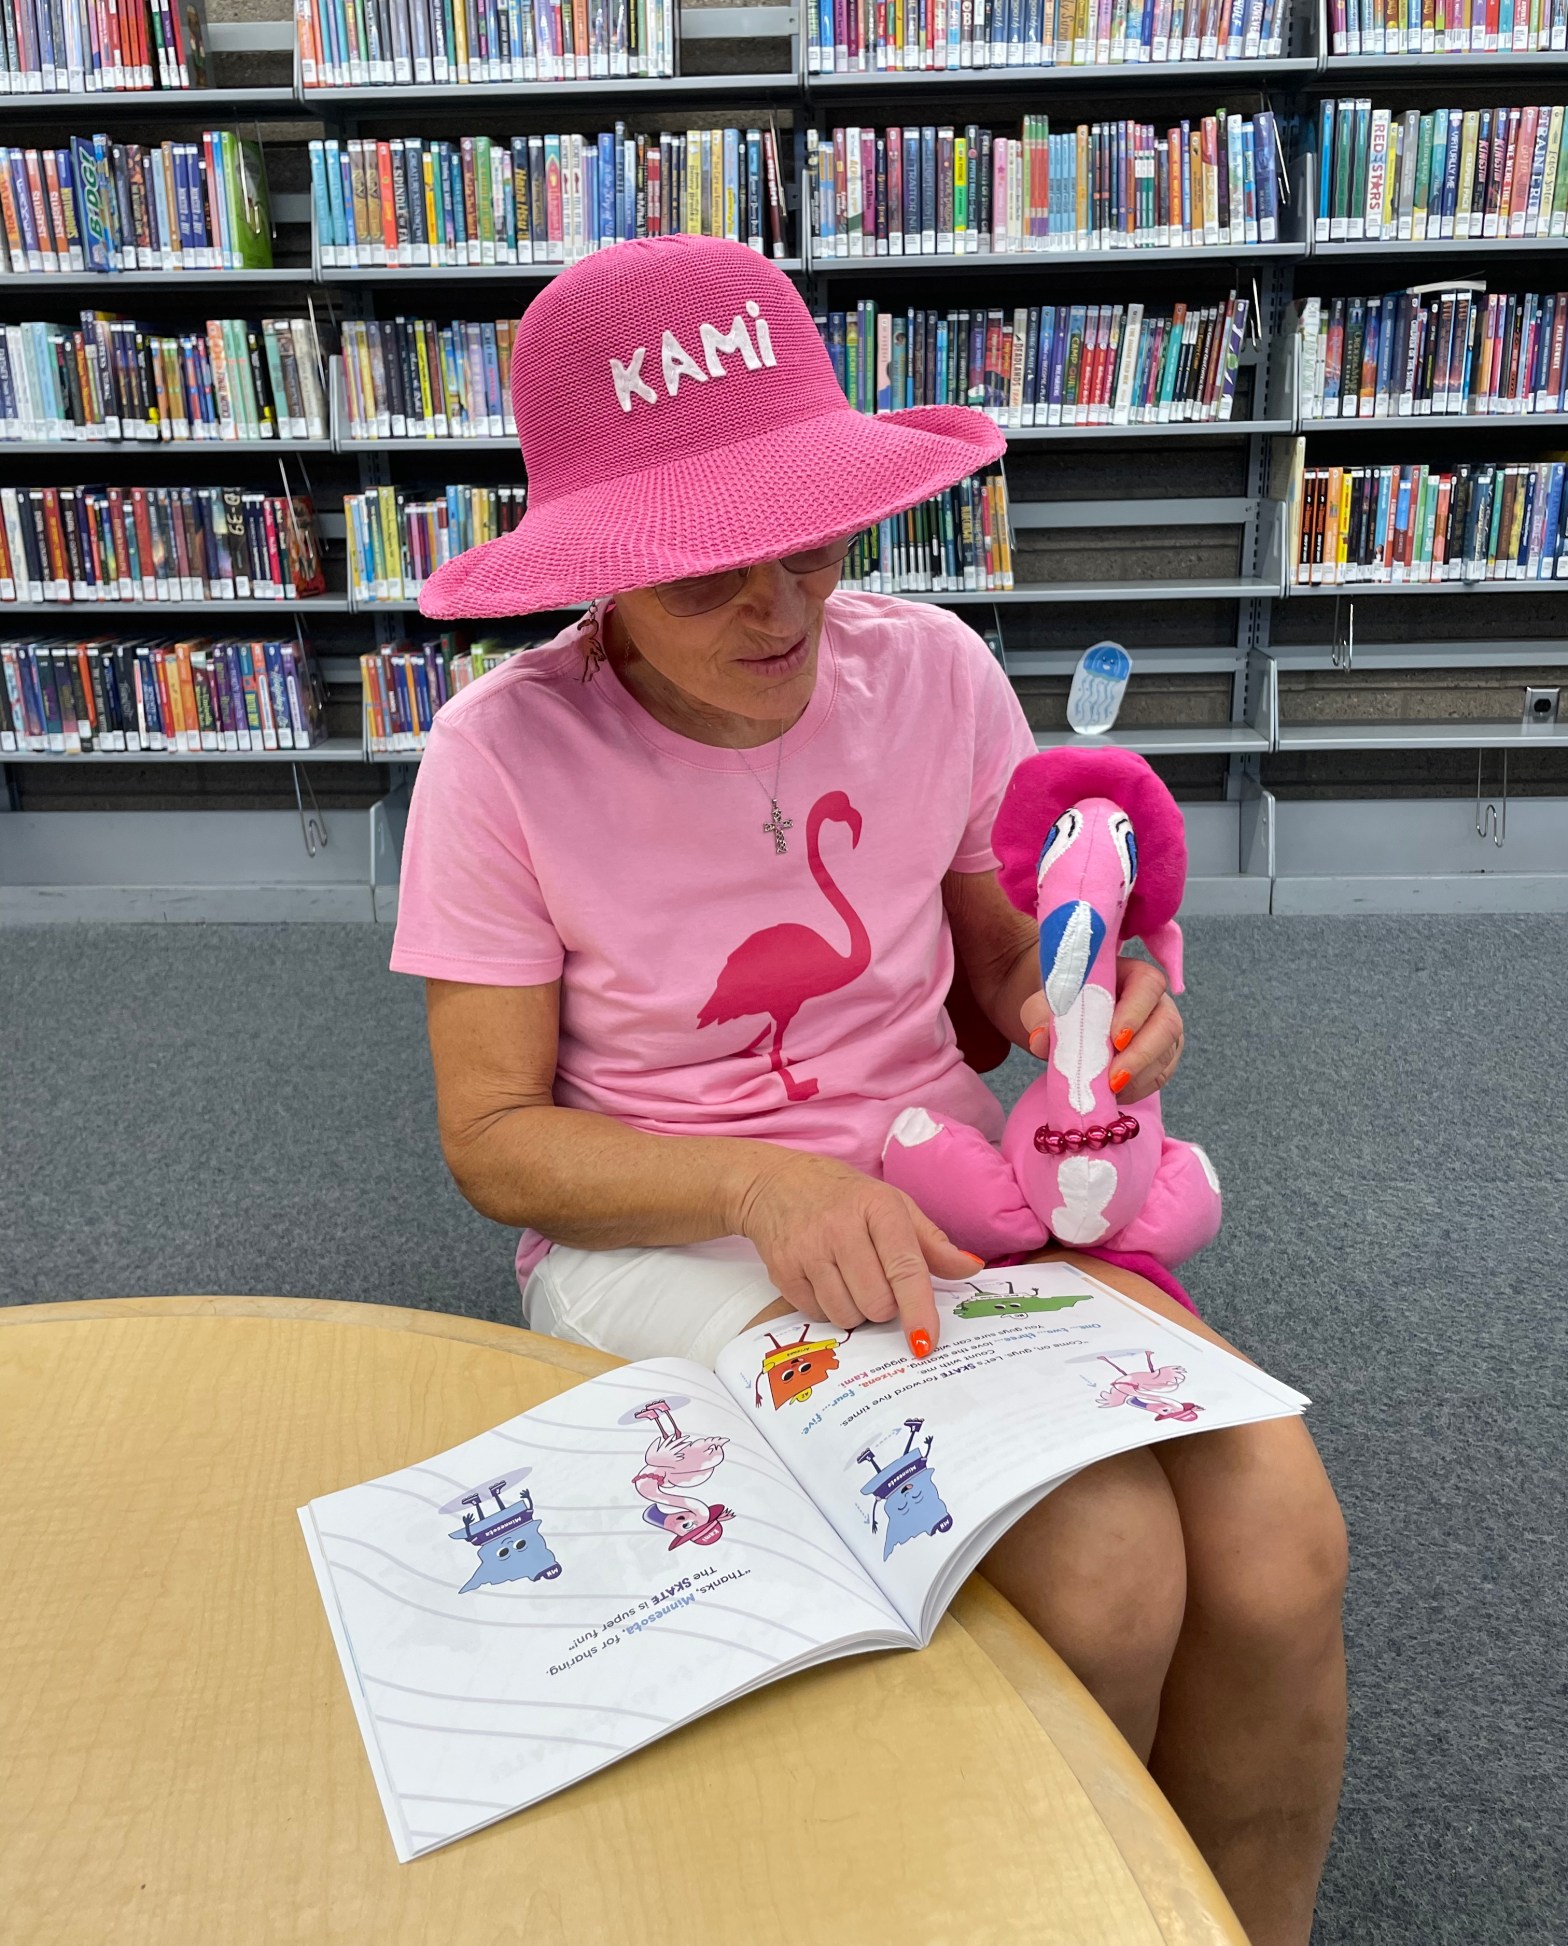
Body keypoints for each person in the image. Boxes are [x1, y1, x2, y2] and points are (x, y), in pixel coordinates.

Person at [391, 236, 1347, 1946]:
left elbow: (995, 990)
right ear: (599, 576)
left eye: (812, 543)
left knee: (1284, 1533)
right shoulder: (499, 755)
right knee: (1105, 1570)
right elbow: (494, 1142)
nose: (783, 611)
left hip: (944, 1181)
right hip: (677, 1220)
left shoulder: (935, 674)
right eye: (708, 579)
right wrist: (759, 1185)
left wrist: (1096, 1003)